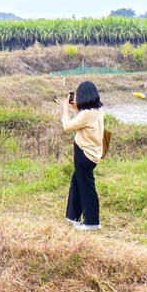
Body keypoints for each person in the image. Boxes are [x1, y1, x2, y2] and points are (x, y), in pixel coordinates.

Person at [62, 80, 106, 231]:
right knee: (77, 182)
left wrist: (65, 110)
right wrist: (76, 109)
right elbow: (82, 119)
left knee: (87, 188)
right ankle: (73, 217)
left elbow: (67, 126)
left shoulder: (86, 114)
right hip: (92, 155)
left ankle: (92, 222)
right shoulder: (98, 111)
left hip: (84, 155)